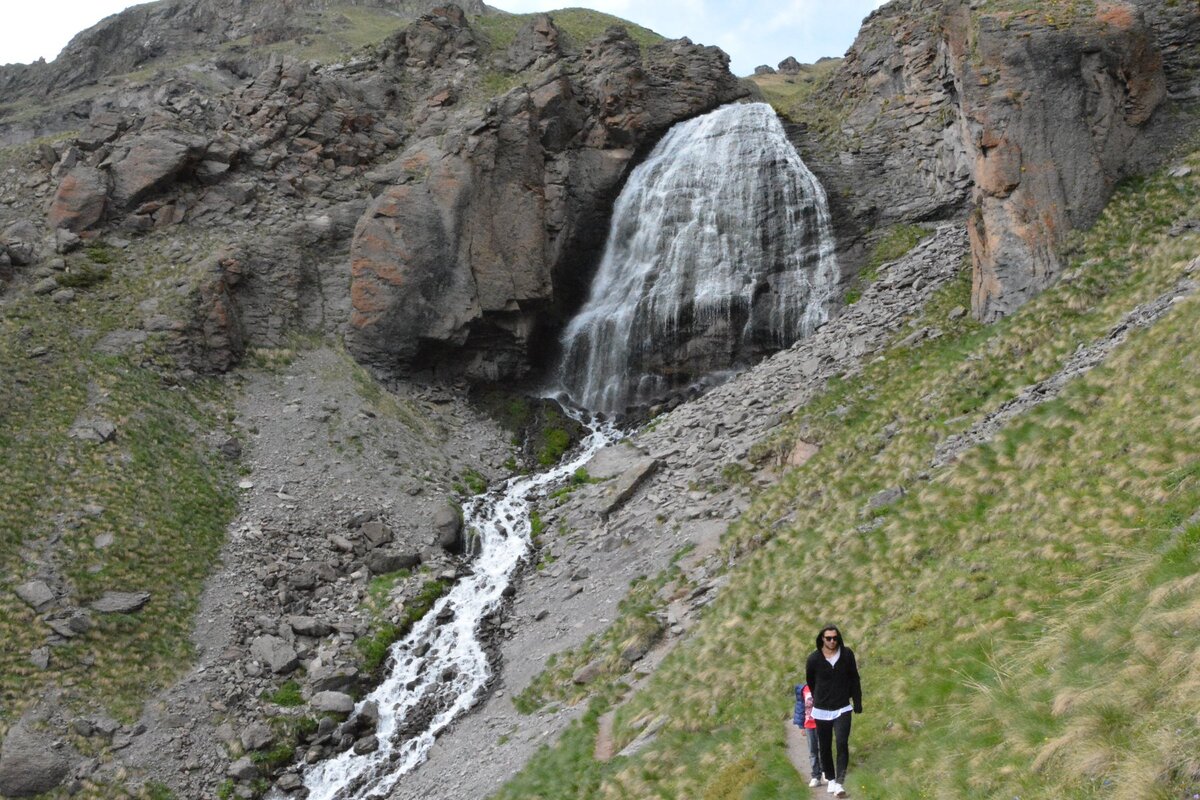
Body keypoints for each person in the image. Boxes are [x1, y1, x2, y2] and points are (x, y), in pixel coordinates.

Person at [805, 624, 862, 798]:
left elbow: (854, 678)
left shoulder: (846, 655)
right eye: (828, 638)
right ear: (822, 638)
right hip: (822, 710)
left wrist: (857, 702)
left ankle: (839, 783)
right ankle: (830, 777)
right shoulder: (813, 659)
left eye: (835, 638)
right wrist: (819, 699)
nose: (832, 641)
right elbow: (811, 682)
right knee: (825, 746)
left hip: (843, 708)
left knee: (842, 743)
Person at [793, 682, 823, 787]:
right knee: (812, 751)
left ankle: (825, 772)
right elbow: (800, 707)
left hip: (822, 724)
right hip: (809, 725)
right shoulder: (804, 689)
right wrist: (801, 726)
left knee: (823, 748)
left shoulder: (822, 685)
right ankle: (815, 776)